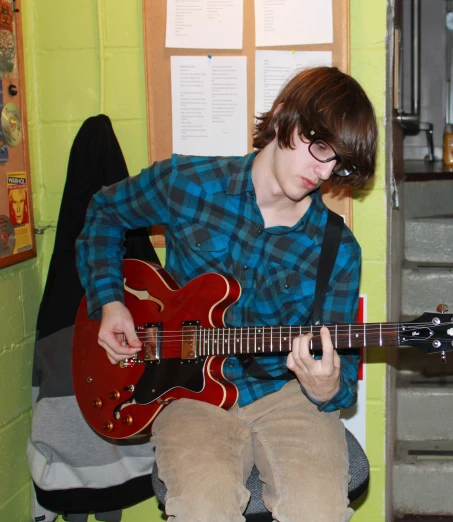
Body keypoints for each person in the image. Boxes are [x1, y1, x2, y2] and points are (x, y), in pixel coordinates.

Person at [75, 66, 378, 522]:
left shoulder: (338, 251)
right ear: (282, 118)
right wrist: (111, 302)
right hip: (187, 390)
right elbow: (104, 213)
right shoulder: (189, 184)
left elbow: (344, 366)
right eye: (319, 147)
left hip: (287, 392)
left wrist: (329, 385)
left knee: (317, 512)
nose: (325, 170)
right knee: (202, 508)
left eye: (339, 161)